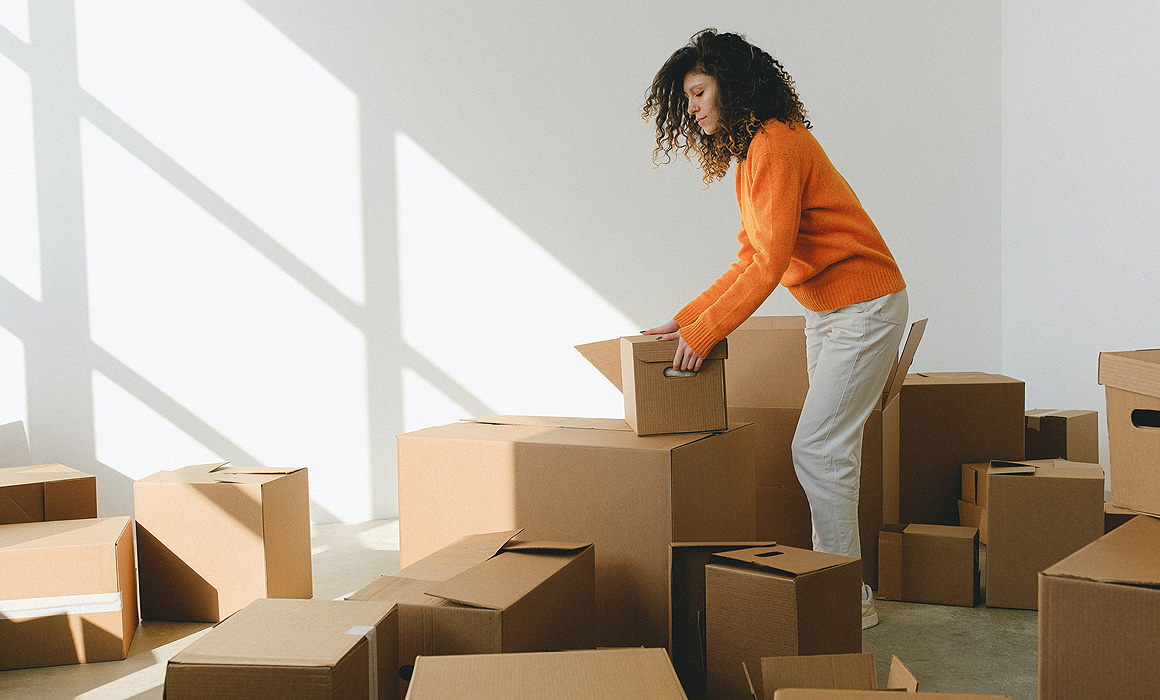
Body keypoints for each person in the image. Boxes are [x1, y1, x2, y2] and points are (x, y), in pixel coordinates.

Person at [640, 28, 908, 629]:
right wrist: (685, 319)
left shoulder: (777, 143)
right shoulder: (753, 155)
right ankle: (841, 588)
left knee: (817, 448)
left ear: (730, 87)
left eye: (700, 92)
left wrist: (704, 335)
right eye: (687, 99)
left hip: (863, 308)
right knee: (831, 451)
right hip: (829, 311)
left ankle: (842, 599)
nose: (693, 108)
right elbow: (750, 256)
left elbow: (767, 263)